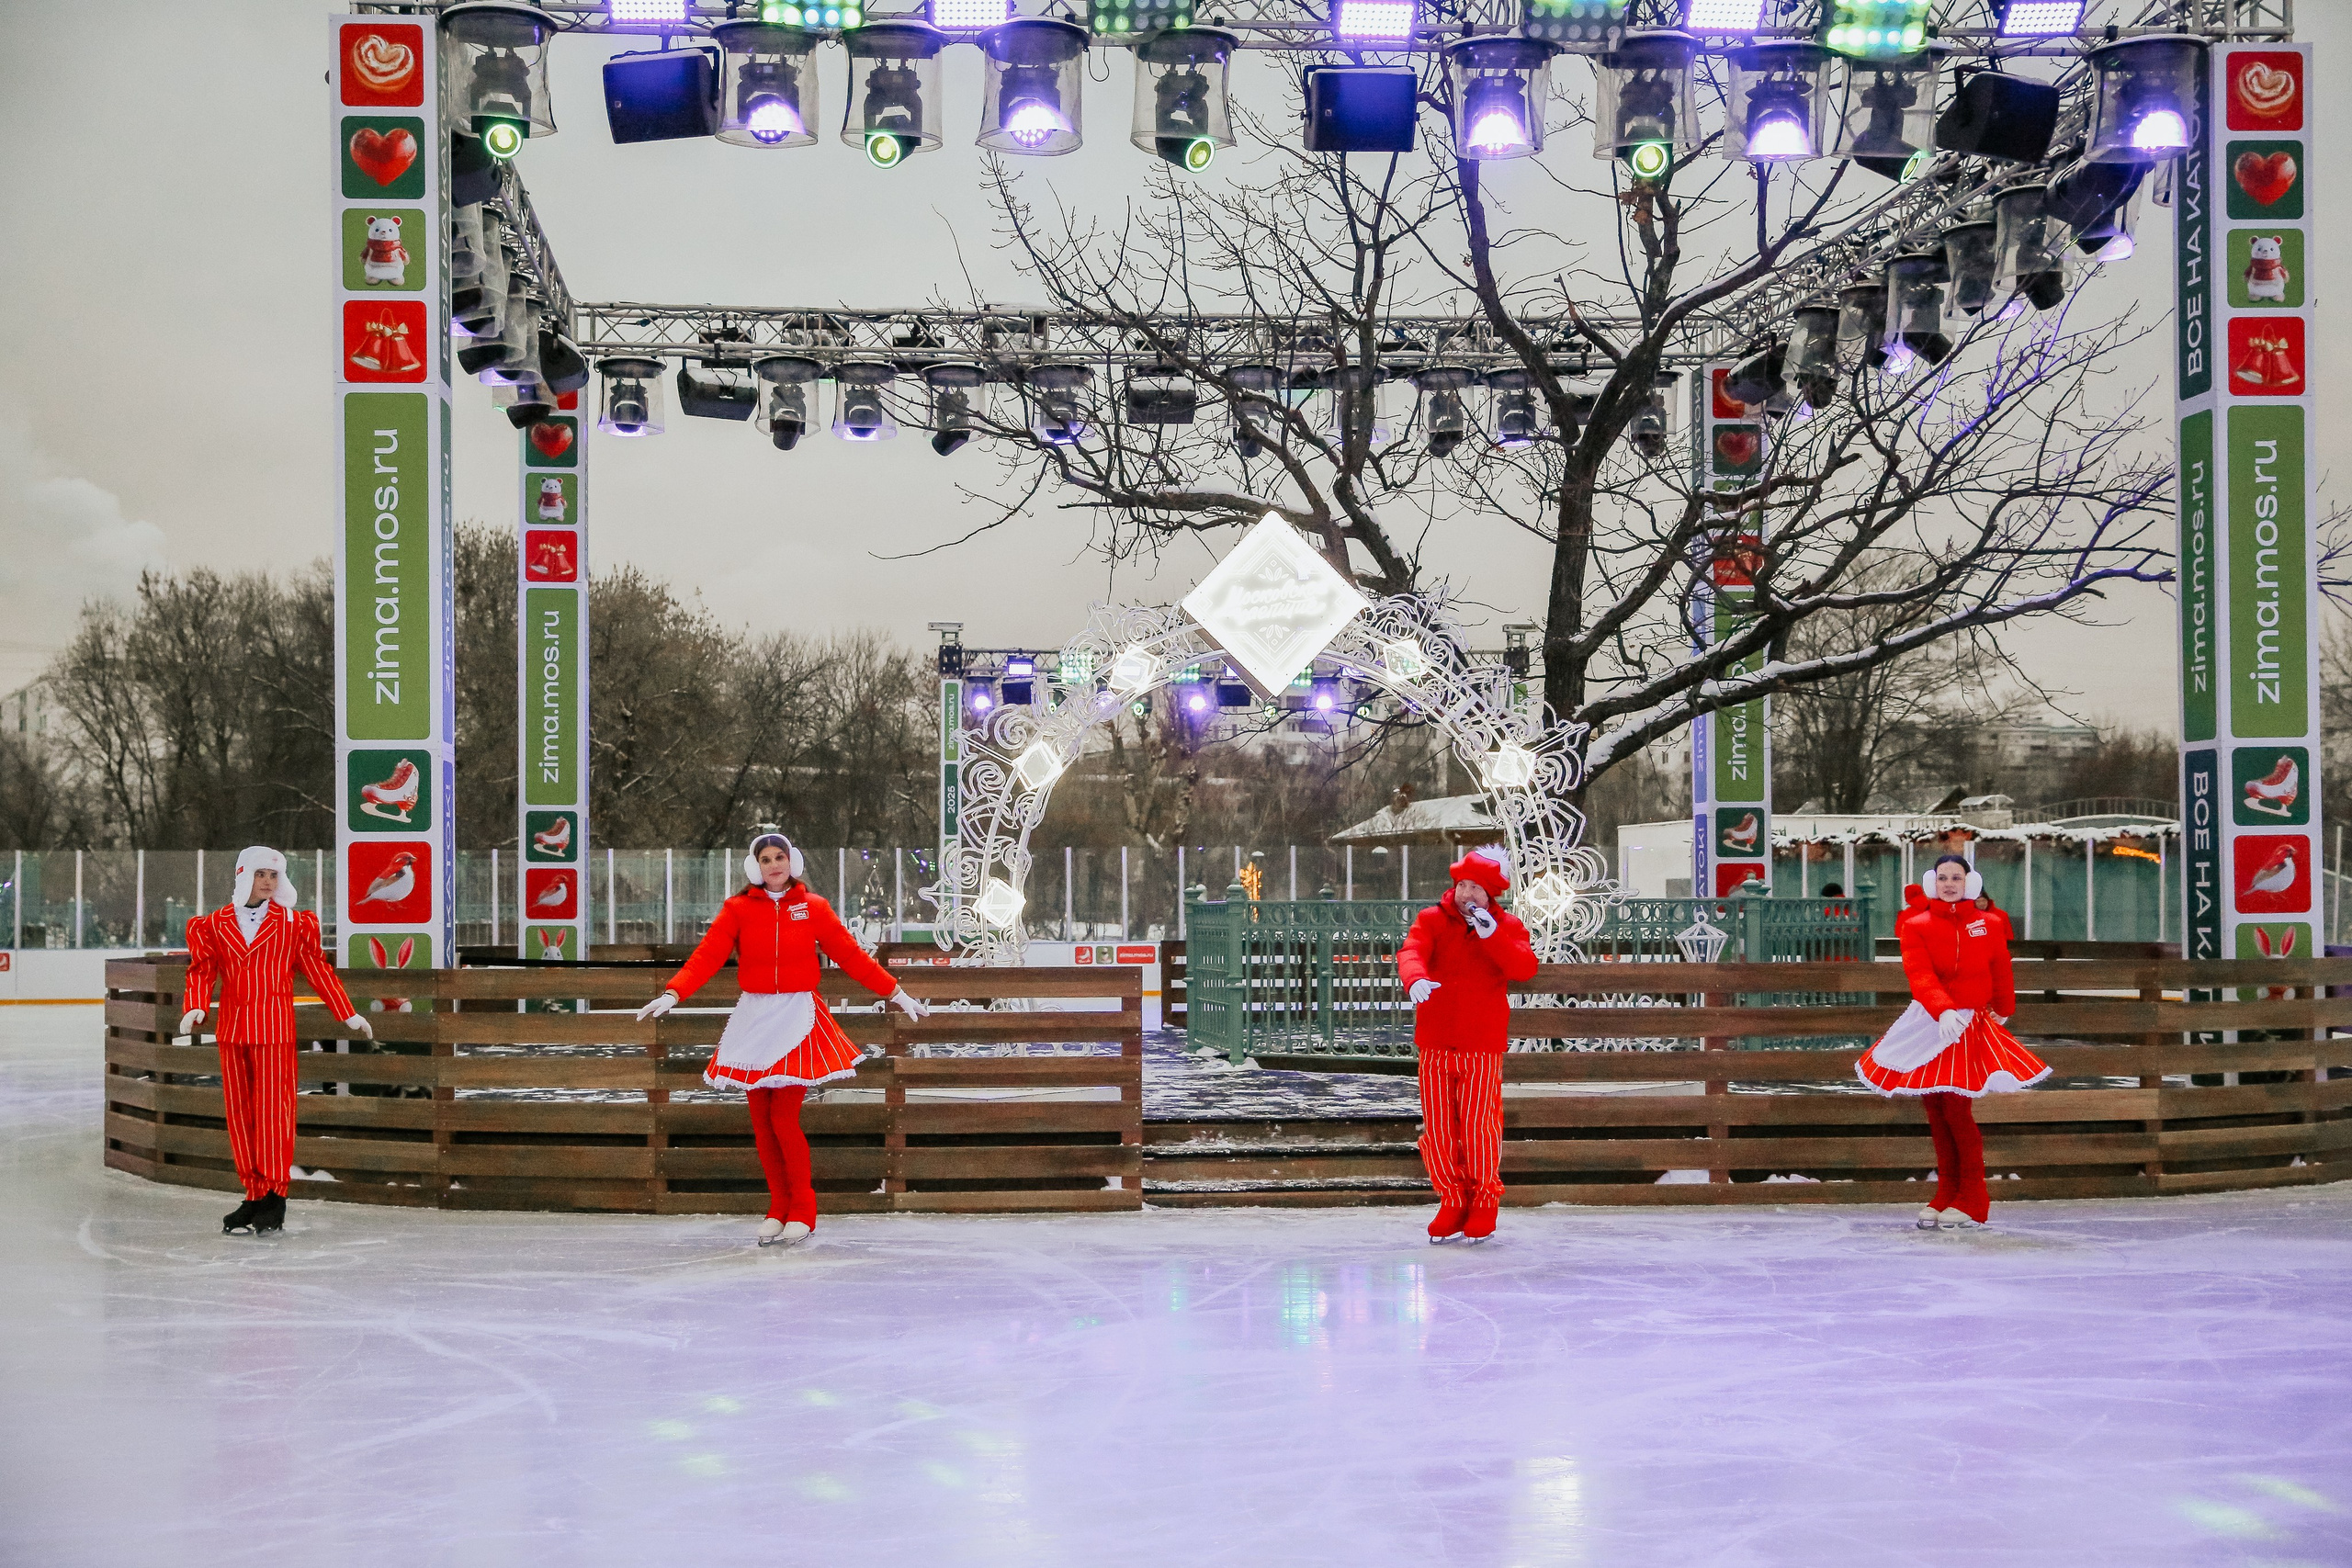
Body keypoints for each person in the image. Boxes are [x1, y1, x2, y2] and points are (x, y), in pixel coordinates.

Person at [636, 832, 925, 1246]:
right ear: (756, 867)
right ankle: (778, 1207)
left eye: (780, 857)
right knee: (762, 1123)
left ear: (793, 861)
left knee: (783, 1119)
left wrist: (895, 992)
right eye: (766, 859)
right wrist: (673, 992)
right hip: (755, 1018)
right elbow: (707, 954)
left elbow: (850, 956)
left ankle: (804, 1210)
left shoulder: (813, 908)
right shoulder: (737, 909)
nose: (775, 865)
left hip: (796, 1018)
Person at [177, 847, 374, 1236]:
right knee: (240, 1116)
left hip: (274, 1031)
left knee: (274, 1116)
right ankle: (253, 1193)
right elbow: (201, 971)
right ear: (242, 875)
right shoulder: (213, 924)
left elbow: (319, 970)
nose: (267, 881)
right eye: (260, 873)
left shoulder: (294, 925)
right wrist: (196, 1006)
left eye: (273, 875)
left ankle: (274, 1196)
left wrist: (346, 1012)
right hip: (233, 1032)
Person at [1855, 853, 2050, 1230]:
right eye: (1942, 877)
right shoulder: (1916, 925)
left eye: (1956, 878)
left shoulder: (1989, 924)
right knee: (1937, 1111)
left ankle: (1973, 1197)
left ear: (1968, 883)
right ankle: (1947, 1192)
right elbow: (1919, 973)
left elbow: (2000, 967)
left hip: (1969, 1026)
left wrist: (2004, 1007)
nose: (1949, 884)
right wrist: (1942, 1009)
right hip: (1932, 1023)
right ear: (1933, 882)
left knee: (1958, 1112)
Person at [1395, 845, 1539, 1243]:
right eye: (1462, 884)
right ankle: (1451, 1197)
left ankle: (1484, 1200)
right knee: (1439, 1127)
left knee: (1478, 1124)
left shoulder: (1507, 926)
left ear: (1490, 894)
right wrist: (1415, 978)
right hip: (1436, 1041)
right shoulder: (1432, 920)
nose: (1466, 893)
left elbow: (1524, 967)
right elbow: (1412, 951)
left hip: (1481, 1043)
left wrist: (1493, 937)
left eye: (1475, 886)